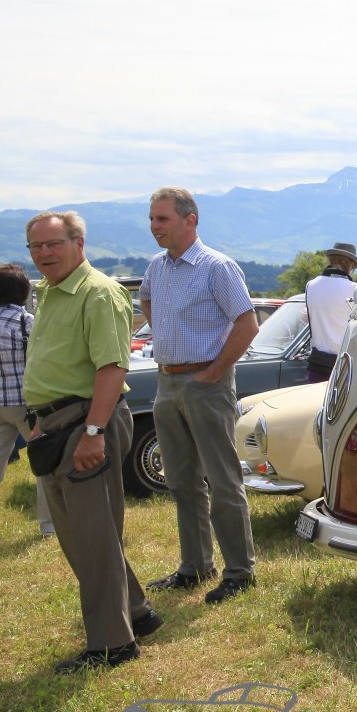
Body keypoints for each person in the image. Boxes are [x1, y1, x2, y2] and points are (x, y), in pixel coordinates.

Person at [23, 212, 160, 672]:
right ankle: (136, 613)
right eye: (36, 246)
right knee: (83, 534)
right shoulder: (50, 291)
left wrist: (94, 432)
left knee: (91, 537)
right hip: (56, 424)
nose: (45, 253)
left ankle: (112, 645)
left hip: (85, 423)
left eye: (54, 243)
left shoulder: (98, 292)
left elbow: (112, 368)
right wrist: (40, 420)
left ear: (78, 243)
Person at [141, 187, 259, 604]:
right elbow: (147, 301)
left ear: (190, 220)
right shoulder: (157, 266)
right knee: (180, 480)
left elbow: (248, 324)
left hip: (206, 383)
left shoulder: (216, 267)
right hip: (168, 381)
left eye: (162, 219)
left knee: (222, 479)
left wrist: (213, 371)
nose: (154, 227)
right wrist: (168, 340)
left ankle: (240, 572)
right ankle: (195, 567)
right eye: (152, 219)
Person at [0, 265, 53, 542]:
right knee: (44, 463)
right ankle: (48, 526)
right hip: (25, 405)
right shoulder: (26, 321)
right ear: (23, 292)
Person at [304, 241, 357, 383]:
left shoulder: (310, 285)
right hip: (343, 366)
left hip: (317, 364)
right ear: (351, 265)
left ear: (331, 260)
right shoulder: (355, 289)